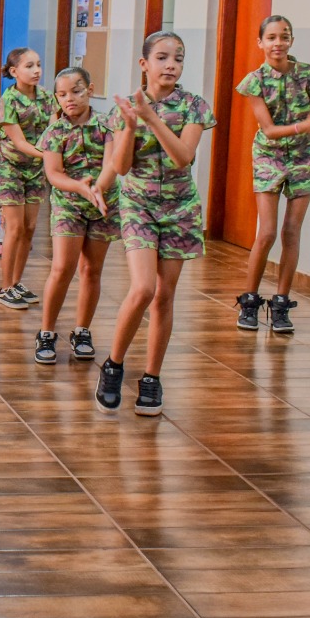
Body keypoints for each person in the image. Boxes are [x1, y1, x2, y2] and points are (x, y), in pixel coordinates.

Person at [96, 32, 216, 418]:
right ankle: (113, 365)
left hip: (180, 209)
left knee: (165, 295)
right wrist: (133, 125)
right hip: (139, 205)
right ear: (144, 64)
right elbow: (121, 167)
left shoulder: (194, 106)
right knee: (143, 288)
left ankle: (151, 377)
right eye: (162, 57)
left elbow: (183, 157)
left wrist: (151, 118)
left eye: (178, 58)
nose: (171, 65)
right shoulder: (124, 109)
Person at [231, 15, 310, 334]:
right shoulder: (254, 82)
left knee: (291, 232)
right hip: (269, 156)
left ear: (291, 41)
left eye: (284, 36)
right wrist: (305, 125)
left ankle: (281, 303)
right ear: (260, 42)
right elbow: (270, 130)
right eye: (272, 37)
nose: (278, 43)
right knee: (267, 232)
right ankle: (249, 301)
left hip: (305, 157)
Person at [34, 67, 120, 365]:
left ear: (90, 90)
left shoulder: (107, 125)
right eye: (62, 94)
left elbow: (112, 163)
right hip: (68, 205)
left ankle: (82, 331)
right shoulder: (54, 132)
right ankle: (46, 332)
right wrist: (81, 188)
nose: (69, 99)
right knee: (62, 268)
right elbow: (54, 173)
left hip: (103, 204)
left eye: (76, 91)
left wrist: (98, 189)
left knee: (92, 270)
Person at [0, 48, 52, 308]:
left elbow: (54, 130)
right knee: (15, 228)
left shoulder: (47, 97)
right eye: (29, 66)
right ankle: (5, 287)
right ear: (14, 71)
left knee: (29, 227)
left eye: (38, 64)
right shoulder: (8, 101)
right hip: (10, 168)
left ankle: (16, 283)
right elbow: (19, 142)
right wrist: (51, 156)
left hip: (35, 169)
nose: (36, 70)